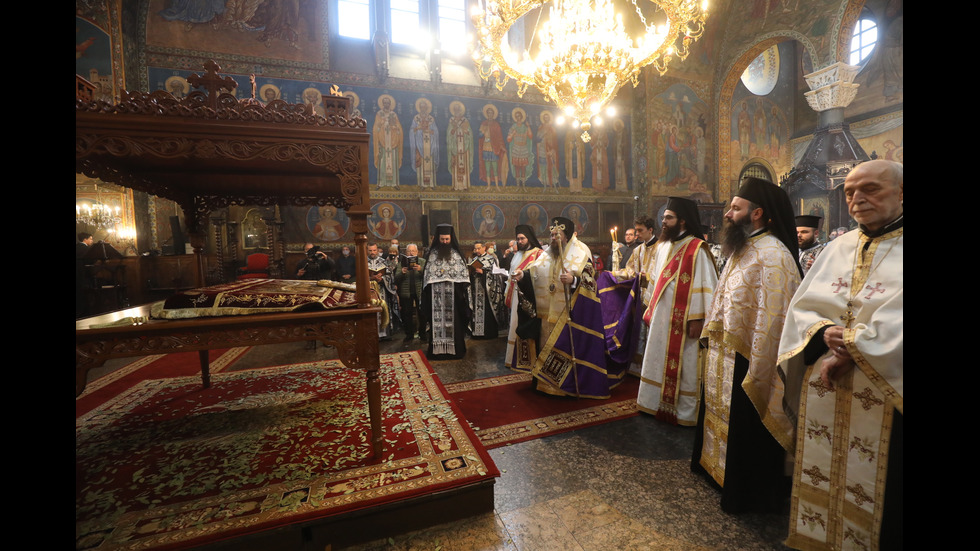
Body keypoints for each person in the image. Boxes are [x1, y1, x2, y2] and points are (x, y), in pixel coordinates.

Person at [777, 160, 903, 551]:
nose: (857, 199)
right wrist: (820, 334)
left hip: (887, 388)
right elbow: (803, 307)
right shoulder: (839, 246)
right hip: (828, 385)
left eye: (871, 189)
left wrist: (854, 345)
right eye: (849, 191)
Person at [692, 176, 802, 514]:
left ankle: (747, 488)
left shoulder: (773, 255)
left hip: (750, 357)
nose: (727, 214)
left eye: (735, 208)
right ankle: (717, 471)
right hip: (727, 352)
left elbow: (774, 319)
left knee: (747, 422)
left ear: (757, 214)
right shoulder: (744, 247)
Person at [513, 217, 619, 398]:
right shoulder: (547, 253)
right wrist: (523, 274)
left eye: (557, 235)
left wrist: (574, 280)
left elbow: (590, 280)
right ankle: (545, 384)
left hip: (568, 313)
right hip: (546, 314)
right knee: (545, 347)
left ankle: (565, 387)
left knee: (566, 350)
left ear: (567, 235)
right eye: (552, 234)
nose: (554, 238)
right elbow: (534, 271)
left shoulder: (580, 251)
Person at [636, 197, 718, 425]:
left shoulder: (697, 249)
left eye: (668, 218)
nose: (664, 222)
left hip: (684, 323)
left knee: (686, 365)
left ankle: (682, 410)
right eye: (663, 217)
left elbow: (707, 286)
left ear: (682, 221)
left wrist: (698, 319)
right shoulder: (663, 246)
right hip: (662, 319)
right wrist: (650, 308)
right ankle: (653, 403)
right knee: (656, 358)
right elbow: (655, 281)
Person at [607, 216, 659, 375]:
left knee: (653, 334)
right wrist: (613, 275)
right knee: (639, 333)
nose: (637, 234)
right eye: (635, 230)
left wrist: (647, 278)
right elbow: (630, 271)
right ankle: (638, 367)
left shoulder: (662, 249)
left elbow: (664, 274)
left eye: (640, 231)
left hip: (656, 299)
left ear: (650, 230)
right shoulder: (638, 250)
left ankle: (652, 369)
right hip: (640, 299)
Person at [421, 225, 471, 359]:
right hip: (435, 297)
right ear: (438, 238)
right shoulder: (432, 255)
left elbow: (463, 278)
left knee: (455, 322)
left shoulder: (456, 255)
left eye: (447, 239)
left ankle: (456, 350)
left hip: (453, 297)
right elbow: (426, 277)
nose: (444, 242)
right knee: (436, 323)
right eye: (442, 239)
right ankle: (437, 351)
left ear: (451, 238)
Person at [504, 225, 544, 372]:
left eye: (522, 238)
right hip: (516, 293)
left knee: (524, 325)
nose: (520, 241)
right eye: (518, 239)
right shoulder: (517, 255)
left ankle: (529, 360)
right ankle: (512, 359)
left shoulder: (538, 253)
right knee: (514, 324)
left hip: (529, 296)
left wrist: (524, 276)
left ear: (529, 238)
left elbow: (540, 274)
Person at [468, 241, 502, 339]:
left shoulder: (491, 259)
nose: (477, 251)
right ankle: (477, 334)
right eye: (475, 249)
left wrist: (483, 272)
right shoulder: (474, 259)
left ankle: (488, 333)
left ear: (484, 248)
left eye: (478, 248)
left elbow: (495, 274)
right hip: (476, 290)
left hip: (487, 291)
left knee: (487, 312)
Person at [394, 243, 426, 342]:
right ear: (405, 252)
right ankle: (409, 334)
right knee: (406, 314)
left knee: (422, 314)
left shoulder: (422, 261)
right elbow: (396, 278)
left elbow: (428, 275)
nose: (411, 253)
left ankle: (423, 334)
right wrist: (402, 273)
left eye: (413, 251)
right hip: (406, 292)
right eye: (409, 251)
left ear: (417, 252)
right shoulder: (401, 263)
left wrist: (421, 270)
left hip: (419, 291)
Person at [367, 243, 398, 340]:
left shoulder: (384, 262)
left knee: (383, 310)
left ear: (377, 250)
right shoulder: (363, 262)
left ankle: (384, 334)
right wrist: (371, 278)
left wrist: (382, 278)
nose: (372, 252)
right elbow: (360, 277)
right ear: (367, 251)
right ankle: (372, 334)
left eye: (374, 250)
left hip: (382, 290)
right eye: (370, 250)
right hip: (370, 291)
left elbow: (390, 276)